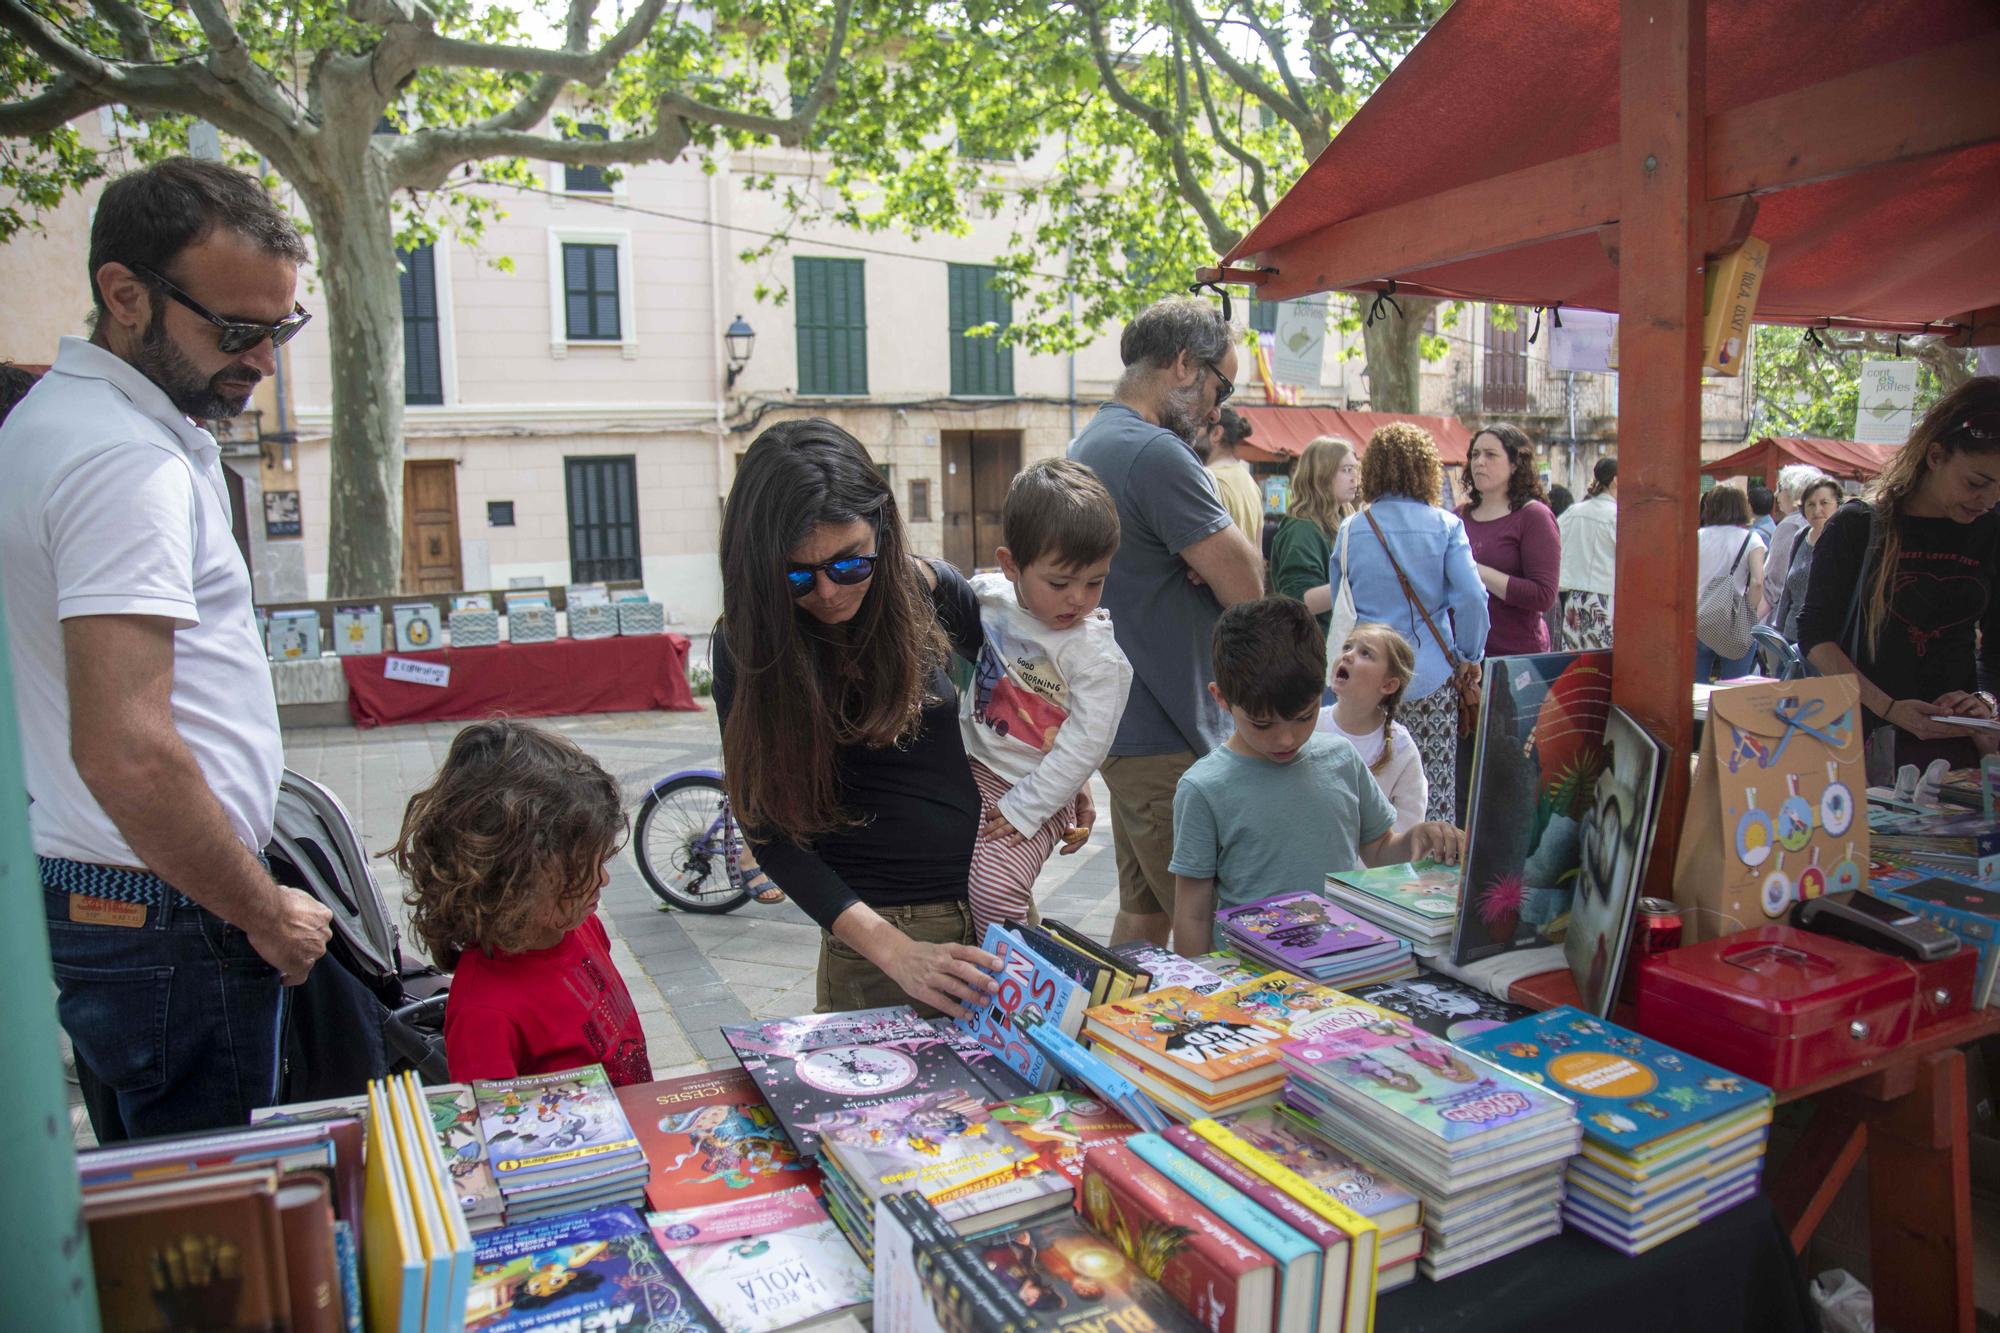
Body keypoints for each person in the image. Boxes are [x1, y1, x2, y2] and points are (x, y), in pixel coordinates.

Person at [0, 158, 331, 1141]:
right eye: (236, 331)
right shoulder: (122, 462)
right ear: (124, 295)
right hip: (171, 911)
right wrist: (265, 911)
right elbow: (128, 749)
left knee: (164, 1207)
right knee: (218, 1239)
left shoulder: (62, 423)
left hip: (130, 902)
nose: (263, 360)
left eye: (280, 329)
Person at [712, 420, 1003, 1018]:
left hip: (995, 907)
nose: (825, 592)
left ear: (883, 530)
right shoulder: (747, 647)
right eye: (795, 575)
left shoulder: (932, 591)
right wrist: (896, 952)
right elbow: (769, 832)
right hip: (881, 945)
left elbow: (1021, 688)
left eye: (849, 564)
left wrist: (1059, 770)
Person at [1069, 296, 1265, 948]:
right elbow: (1250, 588)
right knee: (1206, 931)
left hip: (1128, 729)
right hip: (1170, 734)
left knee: (1143, 918)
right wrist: (1217, 560)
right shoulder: (1156, 453)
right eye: (1221, 383)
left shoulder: (1092, 439)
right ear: (1184, 363)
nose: (1220, 406)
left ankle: (1112, 1039)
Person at [1167, 598, 1462, 956]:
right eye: (1262, 724)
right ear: (1222, 698)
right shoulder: (1203, 788)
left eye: (1304, 717)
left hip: (1341, 966)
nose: (1286, 738)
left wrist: (1418, 838)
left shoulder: (1341, 759)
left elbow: (1380, 849)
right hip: (1251, 982)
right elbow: (1193, 915)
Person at [391, 721, 651, 1085]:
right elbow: (497, 1127)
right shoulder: (484, 1013)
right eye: (579, 867)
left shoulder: (582, 928)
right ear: (512, 879)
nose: (602, 878)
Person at [960, 459, 1133, 938]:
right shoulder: (988, 597)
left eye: (1095, 581)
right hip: (970, 765)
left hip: (1036, 788)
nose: (1078, 599)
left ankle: (1013, 995)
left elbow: (1085, 746)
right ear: (1011, 564)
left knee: (995, 892)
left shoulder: (1097, 656)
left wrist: (1029, 806)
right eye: (1060, 583)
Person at [1797, 378, 2000, 769]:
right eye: (1977, 483)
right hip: (1865, 743)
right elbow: (1814, 636)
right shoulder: (1857, 526)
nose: (1988, 501)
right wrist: (1890, 708)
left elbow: (1996, 644)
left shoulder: (1992, 530)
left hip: (1960, 753)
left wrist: (1986, 702)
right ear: (1935, 456)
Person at [1335, 422, 1489, 824]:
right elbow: (1473, 597)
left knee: (1363, 793)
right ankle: (1428, 880)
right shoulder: (1447, 526)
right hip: (1429, 675)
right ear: (1426, 470)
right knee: (1432, 793)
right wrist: (1469, 655)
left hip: (1366, 679)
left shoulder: (1351, 529)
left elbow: (1340, 607)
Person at [1459, 423, 1561, 655]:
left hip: (1516, 655)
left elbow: (1543, 595)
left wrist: (1473, 569)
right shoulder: (1457, 516)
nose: (1479, 462)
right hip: (1462, 655)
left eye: (1490, 455)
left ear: (1515, 464)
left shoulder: (1534, 516)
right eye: (1475, 455)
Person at [1320, 622, 1427, 832]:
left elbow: (1410, 821)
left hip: (1373, 865)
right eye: (1347, 647)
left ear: (1388, 685)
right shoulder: (1311, 726)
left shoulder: (1401, 747)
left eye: (1365, 653)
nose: (1348, 655)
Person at [1268, 436, 1358, 637]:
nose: (1354, 477)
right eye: (1345, 470)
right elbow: (1298, 601)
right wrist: (1358, 580)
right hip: (1313, 650)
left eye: (1355, 469)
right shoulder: (1302, 530)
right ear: (1321, 476)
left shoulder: (1345, 519)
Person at [1693, 485, 1768, 683]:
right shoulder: (1752, 539)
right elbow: (1757, 582)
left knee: (1695, 688)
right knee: (1733, 689)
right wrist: (1748, 615)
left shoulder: (1697, 537)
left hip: (1699, 619)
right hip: (1734, 622)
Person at [1556, 456, 1618, 649]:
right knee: (1602, 664)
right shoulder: (1617, 516)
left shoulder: (1572, 512)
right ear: (1616, 480)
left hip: (1573, 599)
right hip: (1604, 599)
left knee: (1574, 663)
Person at [1774, 477, 1844, 643]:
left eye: (1824, 503)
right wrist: (1778, 629)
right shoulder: (1801, 536)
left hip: (1827, 642)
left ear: (1838, 505)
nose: (1817, 510)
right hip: (1791, 637)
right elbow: (1787, 591)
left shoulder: (1845, 541)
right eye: (1811, 504)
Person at [1760, 463, 1825, 625]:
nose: (1776, 494)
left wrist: (1748, 625)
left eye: (1779, 487)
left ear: (1794, 490)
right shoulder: (1825, 522)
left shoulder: (1790, 525)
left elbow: (1773, 585)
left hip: (1784, 624)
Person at [1206, 406, 1265, 546]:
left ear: (1216, 433)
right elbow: (1258, 551)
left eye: (1199, 425)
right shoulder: (1251, 482)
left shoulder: (1207, 478)